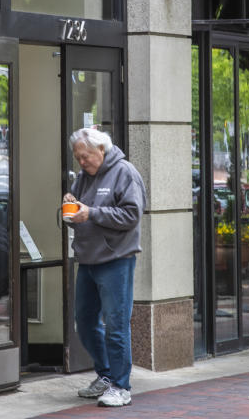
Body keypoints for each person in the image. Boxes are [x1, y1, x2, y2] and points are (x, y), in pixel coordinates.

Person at [63, 127, 145, 408]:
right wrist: (70, 205)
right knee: (84, 323)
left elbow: (132, 214)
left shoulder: (124, 172)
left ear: (101, 149)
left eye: (85, 156)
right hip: (87, 259)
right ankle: (106, 375)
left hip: (116, 260)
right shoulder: (83, 178)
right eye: (77, 158)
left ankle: (121, 386)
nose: (81, 163)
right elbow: (77, 207)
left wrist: (92, 213)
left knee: (116, 325)